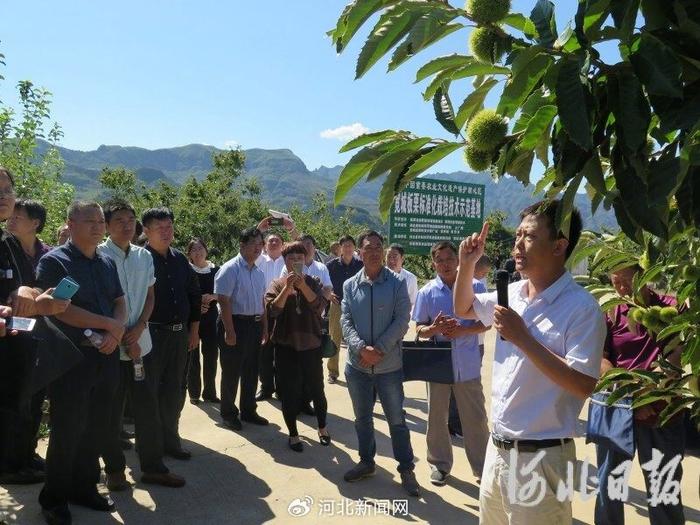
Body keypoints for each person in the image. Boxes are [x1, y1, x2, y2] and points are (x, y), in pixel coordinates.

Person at [454, 200, 606, 525]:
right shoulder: (514, 293)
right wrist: (466, 265)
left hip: (542, 459)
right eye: (518, 234)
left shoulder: (582, 309)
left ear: (559, 246)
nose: (517, 244)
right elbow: (464, 308)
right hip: (497, 453)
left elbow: (583, 383)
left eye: (529, 236)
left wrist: (523, 338)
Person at [36, 201, 127, 524]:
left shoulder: (106, 262)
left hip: (107, 355)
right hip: (71, 360)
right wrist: (108, 325)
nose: (98, 226)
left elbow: (120, 300)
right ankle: (54, 497)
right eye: (89, 220)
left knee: (99, 427)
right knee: (67, 430)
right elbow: (62, 309)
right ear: (70, 224)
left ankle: (84, 487)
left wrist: (115, 332)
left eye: (100, 221)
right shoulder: (54, 262)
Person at [98, 199, 185, 492]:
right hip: (110, 347)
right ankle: (114, 470)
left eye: (130, 219)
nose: (126, 225)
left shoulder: (142, 257)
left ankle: (153, 467)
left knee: (147, 408)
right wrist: (123, 334)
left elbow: (150, 297)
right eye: (119, 220)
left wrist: (138, 328)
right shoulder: (97, 255)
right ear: (106, 225)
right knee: (111, 412)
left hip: (141, 345)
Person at [594, 264, 685, 525]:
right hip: (619, 406)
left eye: (626, 281)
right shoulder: (610, 312)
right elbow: (601, 361)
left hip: (661, 410)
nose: (621, 288)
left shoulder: (671, 308)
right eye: (615, 282)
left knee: (664, 487)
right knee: (610, 485)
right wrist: (630, 399)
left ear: (644, 277)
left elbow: (675, 359)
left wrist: (644, 395)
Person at [0, 168, 69, 487]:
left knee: (21, 406)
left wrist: (30, 294)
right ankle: (11, 466)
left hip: (20, 341)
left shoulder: (9, 243)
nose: (3, 196)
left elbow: (22, 288)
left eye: (7, 189)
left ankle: (21, 460)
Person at [341, 230, 420, 497]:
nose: (373, 251)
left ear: (383, 250)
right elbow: (345, 320)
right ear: (360, 252)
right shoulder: (350, 285)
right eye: (368, 247)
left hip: (389, 367)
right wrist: (361, 348)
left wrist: (380, 349)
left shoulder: (397, 283)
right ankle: (366, 462)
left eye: (378, 246)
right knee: (362, 419)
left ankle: (406, 468)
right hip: (358, 366)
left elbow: (402, 320)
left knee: (396, 420)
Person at [413, 241, 490, 486]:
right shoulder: (427, 292)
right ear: (433, 263)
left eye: (449, 259)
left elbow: (488, 323)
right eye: (440, 260)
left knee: (475, 418)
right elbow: (419, 329)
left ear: (458, 261)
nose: (445, 264)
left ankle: (482, 469)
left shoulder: (476, 286)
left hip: (467, 364)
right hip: (438, 366)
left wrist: (463, 331)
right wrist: (434, 328)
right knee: (437, 417)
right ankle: (439, 465)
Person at [143, 207, 201, 461]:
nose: (166, 232)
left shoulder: (180, 260)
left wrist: (194, 330)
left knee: (175, 389)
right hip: (150, 334)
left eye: (169, 227)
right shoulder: (140, 259)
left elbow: (194, 295)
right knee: (149, 390)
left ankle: (171, 439)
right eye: (160, 228)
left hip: (179, 335)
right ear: (146, 231)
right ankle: (150, 444)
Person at [265, 241, 330, 452]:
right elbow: (273, 311)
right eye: (291, 258)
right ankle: (293, 434)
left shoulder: (314, 281)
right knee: (289, 392)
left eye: (299, 258)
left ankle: (322, 427)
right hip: (286, 347)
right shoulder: (277, 283)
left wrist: (303, 287)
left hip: (311, 345)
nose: (296, 262)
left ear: (305, 260)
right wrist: (287, 288)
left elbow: (319, 307)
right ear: (285, 261)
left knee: (317, 390)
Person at [215, 227, 268, 430]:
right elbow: (224, 301)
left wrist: (264, 327)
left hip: (254, 325)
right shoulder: (230, 269)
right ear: (242, 245)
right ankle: (228, 413)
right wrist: (229, 330)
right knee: (231, 371)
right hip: (234, 323)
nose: (258, 248)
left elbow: (262, 302)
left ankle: (248, 410)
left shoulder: (259, 273)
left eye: (260, 244)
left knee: (251, 370)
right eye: (253, 244)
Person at [325, 235, 363, 384]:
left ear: (354, 248)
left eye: (350, 245)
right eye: (344, 245)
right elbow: (324, 283)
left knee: (359, 338)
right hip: (338, 304)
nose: (347, 248)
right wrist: (329, 293)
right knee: (334, 337)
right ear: (339, 248)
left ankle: (360, 370)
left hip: (358, 306)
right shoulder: (331, 265)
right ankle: (333, 372)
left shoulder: (360, 265)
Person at [186, 238, 220, 404]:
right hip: (192, 318)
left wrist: (213, 297)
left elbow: (224, 292)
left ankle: (210, 392)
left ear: (206, 250)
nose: (198, 252)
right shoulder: (186, 270)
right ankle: (194, 392)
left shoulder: (215, 270)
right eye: (194, 250)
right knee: (193, 356)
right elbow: (182, 294)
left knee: (211, 355)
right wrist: (198, 303)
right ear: (189, 254)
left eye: (200, 248)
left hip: (211, 316)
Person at [255, 231, 286, 401]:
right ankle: (266, 387)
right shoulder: (260, 260)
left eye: (277, 240)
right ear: (265, 245)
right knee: (264, 352)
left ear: (283, 244)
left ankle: (281, 387)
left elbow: (302, 245)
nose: (273, 243)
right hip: (263, 310)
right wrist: (261, 227)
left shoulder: (288, 260)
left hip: (283, 311)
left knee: (282, 352)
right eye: (270, 241)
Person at [7, 198, 52, 271]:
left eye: (17, 218)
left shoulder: (50, 255)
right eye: (9, 217)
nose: (10, 221)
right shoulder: (4, 252)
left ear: (35, 223)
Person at [386, 243, 418, 310]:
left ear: (402, 259)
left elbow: (413, 303)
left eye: (394, 257)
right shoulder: (378, 275)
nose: (391, 260)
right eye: (388, 257)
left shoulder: (411, 278)